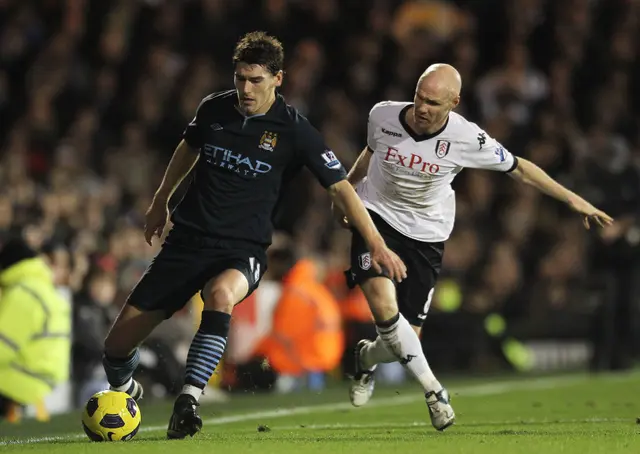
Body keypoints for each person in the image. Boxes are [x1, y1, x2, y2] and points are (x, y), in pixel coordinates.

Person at [100, 31, 406, 440]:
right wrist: (161, 201)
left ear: (278, 79)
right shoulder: (214, 108)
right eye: (240, 77)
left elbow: (341, 187)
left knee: (221, 295)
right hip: (187, 244)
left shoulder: (295, 130)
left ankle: (188, 400)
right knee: (116, 348)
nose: (245, 88)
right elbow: (187, 148)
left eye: (255, 80)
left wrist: (377, 243)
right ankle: (126, 390)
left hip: (242, 250)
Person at [336, 63, 613, 431]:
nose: (422, 108)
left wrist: (572, 199)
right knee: (385, 309)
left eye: (433, 102)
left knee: (401, 343)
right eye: (419, 97)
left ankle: (366, 357)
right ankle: (434, 391)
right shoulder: (383, 114)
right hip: (376, 217)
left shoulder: (467, 138)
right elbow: (369, 152)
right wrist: (347, 192)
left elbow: (520, 168)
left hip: (426, 234)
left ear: (454, 102)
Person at [0, 237, 72, 420]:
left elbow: (4, 346)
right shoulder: (45, 288)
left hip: (18, 382)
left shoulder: (23, 293)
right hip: (45, 384)